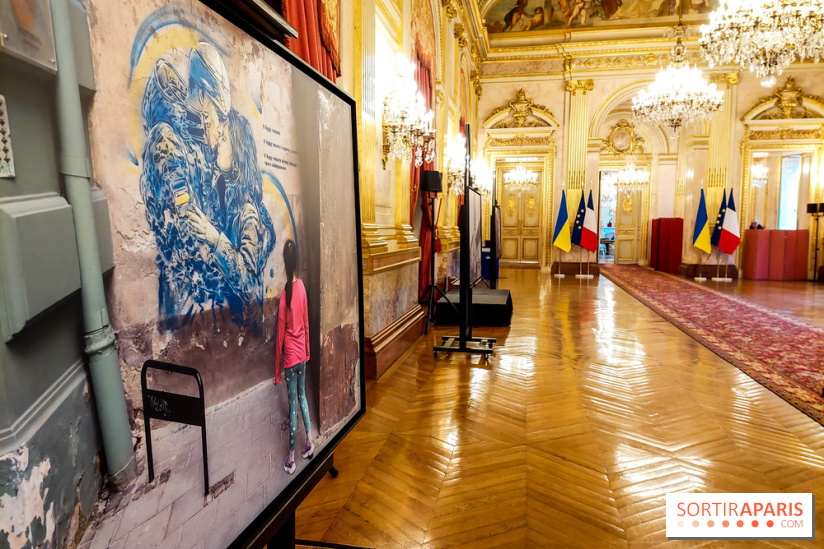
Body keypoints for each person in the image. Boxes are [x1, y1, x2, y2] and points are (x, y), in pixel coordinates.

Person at [140, 43, 275, 329]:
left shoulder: (245, 209)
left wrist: (214, 238)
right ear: (202, 95)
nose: (215, 140)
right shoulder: (171, 141)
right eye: (216, 124)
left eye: (222, 137)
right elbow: (182, 232)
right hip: (185, 310)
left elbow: (245, 276)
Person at [275, 240, 313, 475]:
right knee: (302, 398)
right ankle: (309, 444)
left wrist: (277, 370)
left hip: (290, 358)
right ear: (296, 261)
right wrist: (307, 351)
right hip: (301, 355)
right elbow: (307, 324)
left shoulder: (285, 294)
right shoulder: (302, 289)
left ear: (285, 263)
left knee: (292, 405)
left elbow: (280, 335)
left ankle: (291, 458)